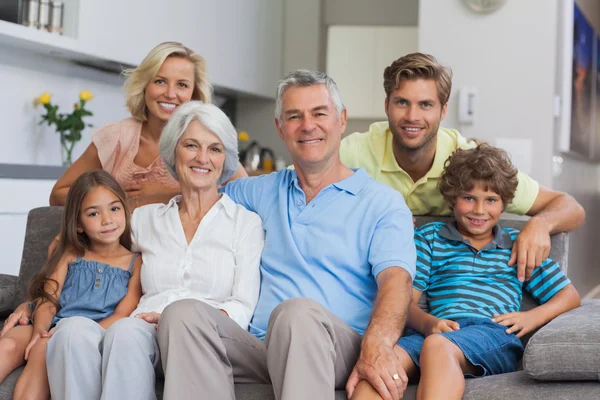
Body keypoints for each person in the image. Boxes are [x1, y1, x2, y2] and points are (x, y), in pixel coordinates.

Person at [157, 70, 416, 400]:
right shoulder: (257, 191)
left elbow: (397, 282)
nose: (308, 125)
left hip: (335, 346)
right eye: (294, 116)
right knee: (183, 314)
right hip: (259, 345)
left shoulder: (382, 202)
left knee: (296, 315)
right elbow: (195, 190)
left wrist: (377, 346)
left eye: (319, 113)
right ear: (280, 128)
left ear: (342, 120)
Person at [44, 101, 264, 400]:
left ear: (225, 159)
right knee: (73, 332)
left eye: (215, 148)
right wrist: (35, 300)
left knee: (128, 331)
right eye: (191, 145)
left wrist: (181, 318)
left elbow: (243, 304)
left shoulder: (244, 223)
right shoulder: (144, 220)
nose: (202, 158)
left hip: (205, 336)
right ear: (174, 151)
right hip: (141, 331)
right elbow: (94, 251)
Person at [353, 144, 581, 400]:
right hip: (436, 331)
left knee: (438, 347)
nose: (479, 210)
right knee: (382, 363)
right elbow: (404, 301)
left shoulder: (518, 245)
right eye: (469, 198)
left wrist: (531, 318)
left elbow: (569, 296)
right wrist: (429, 323)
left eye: (491, 200)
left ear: (504, 202)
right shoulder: (430, 238)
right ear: (452, 198)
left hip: (492, 336)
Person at [340, 52, 586, 282]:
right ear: (387, 106)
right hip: (365, 279)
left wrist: (541, 223)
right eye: (402, 103)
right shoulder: (353, 153)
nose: (412, 116)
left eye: (426, 105)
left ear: (443, 110)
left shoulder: (470, 162)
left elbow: (571, 208)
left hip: (443, 290)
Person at [0, 170, 142, 400]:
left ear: (125, 211)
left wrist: (52, 338)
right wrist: (41, 332)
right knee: (7, 345)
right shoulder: (71, 254)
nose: (107, 219)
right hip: (49, 324)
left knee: (42, 352)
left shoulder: (136, 262)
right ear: (78, 224)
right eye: (94, 213)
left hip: (90, 334)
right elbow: (49, 300)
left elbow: (122, 314)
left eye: (114, 209)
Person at [49, 41, 225, 209]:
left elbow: (244, 194)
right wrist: (112, 200)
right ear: (144, 86)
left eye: (182, 85)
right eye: (160, 81)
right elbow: (58, 194)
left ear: (193, 94)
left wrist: (167, 194)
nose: (170, 94)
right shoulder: (115, 137)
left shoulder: (210, 140)